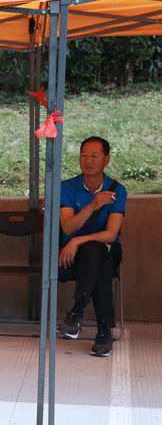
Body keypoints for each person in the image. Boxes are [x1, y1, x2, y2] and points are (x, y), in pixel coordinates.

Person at [56, 136, 126, 358]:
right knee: (101, 267)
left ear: (106, 160)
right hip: (72, 259)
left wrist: (77, 240)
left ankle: (77, 312)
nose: (88, 160)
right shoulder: (67, 187)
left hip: (106, 251)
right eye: (84, 155)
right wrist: (92, 206)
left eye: (95, 155)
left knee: (95, 249)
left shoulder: (117, 190)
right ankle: (104, 334)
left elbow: (111, 234)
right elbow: (68, 227)